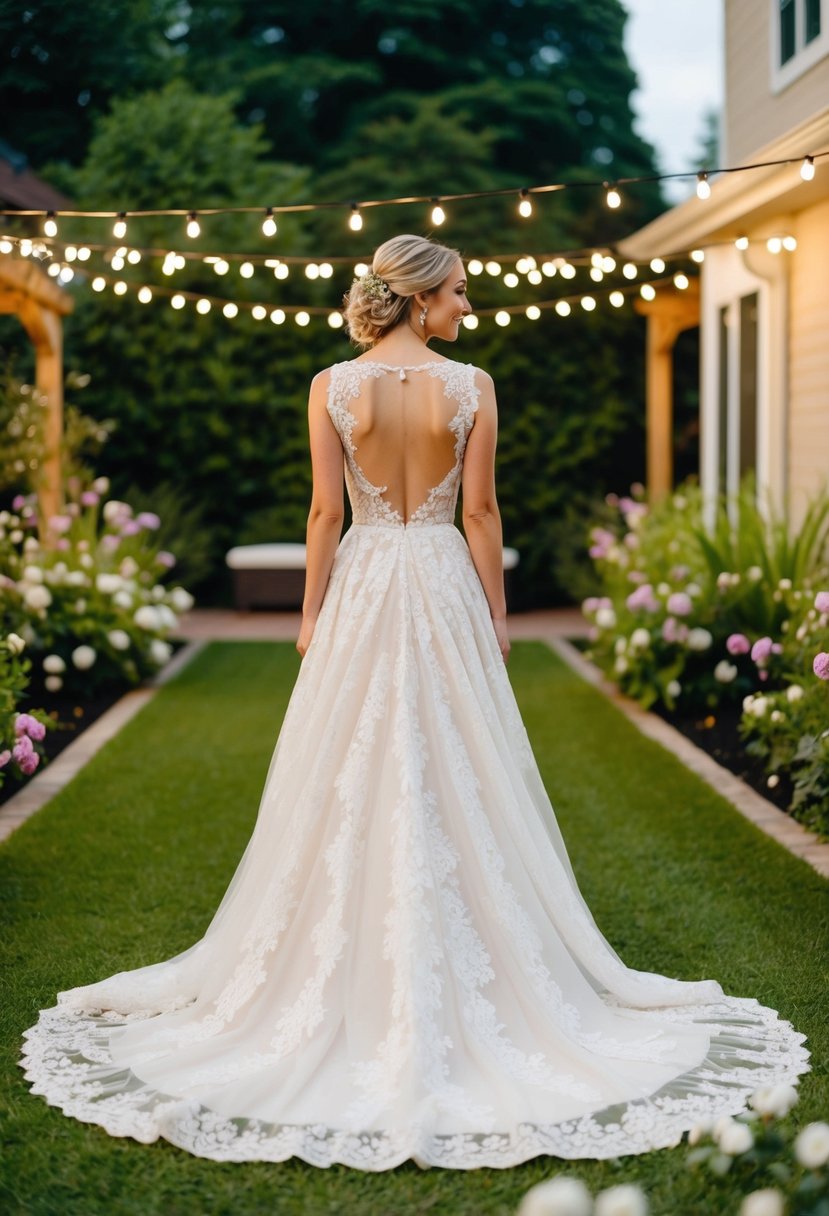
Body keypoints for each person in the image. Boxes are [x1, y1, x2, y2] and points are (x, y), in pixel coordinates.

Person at [21, 234, 809, 1170]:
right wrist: (497, 615)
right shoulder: (470, 387)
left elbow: (324, 513)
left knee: (348, 756)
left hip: (362, 581)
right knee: (456, 756)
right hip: (438, 578)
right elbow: (479, 514)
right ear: (422, 298)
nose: (468, 309)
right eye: (461, 294)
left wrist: (309, 615)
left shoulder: (329, 385)